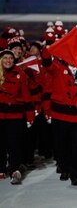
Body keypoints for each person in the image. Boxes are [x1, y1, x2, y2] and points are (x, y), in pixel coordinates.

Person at [41, 48, 77, 186]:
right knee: (61, 145)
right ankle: (64, 168)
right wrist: (50, 48)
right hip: (60, 114)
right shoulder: (57, 68)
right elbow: (46, 61)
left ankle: (75, 174)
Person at [0, 49, 35, 184]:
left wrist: (30, 115)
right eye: (5, 58)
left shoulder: (20, 74)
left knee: (14, 144)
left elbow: (26, 96)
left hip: (15, 116)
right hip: (0, 115)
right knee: (1, 143)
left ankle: (14, 169)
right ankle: (1, 168)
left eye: (10, 58)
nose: (8, 60)